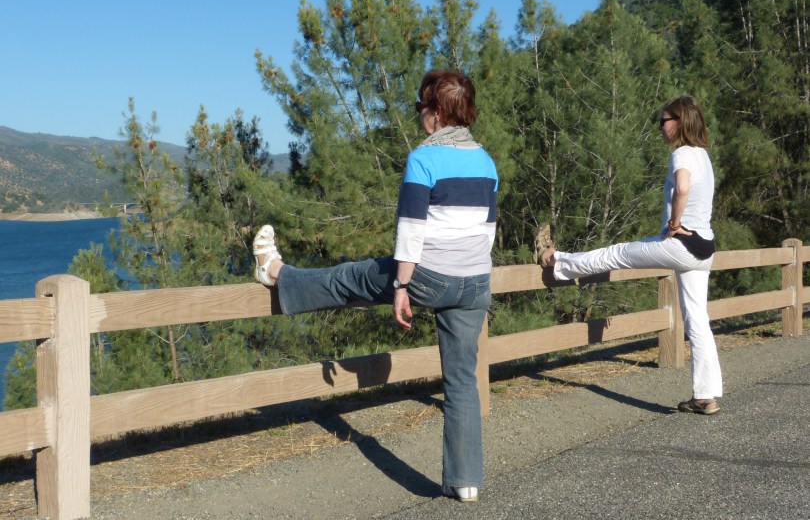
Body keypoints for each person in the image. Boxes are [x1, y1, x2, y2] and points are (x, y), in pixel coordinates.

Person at [253, 70, 499, 502]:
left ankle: (275, 273)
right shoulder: (486, 161)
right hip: (476, 282)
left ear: (437, 112)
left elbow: (411, 231)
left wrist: (401, 286)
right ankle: (465, 482)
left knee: (349, 277)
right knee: (462, 380)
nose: (418, 114)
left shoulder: (424, 158)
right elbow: (487, 230)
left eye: (421, 106)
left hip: (429, 276)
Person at [541, 95, 723, 415]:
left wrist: (674, 223)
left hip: (680, 244)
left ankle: (556, 260)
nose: (660, 127)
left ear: (679, 122)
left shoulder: (681, 153)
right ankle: (705, 396)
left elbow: (682, 188)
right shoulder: (703, 156)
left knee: (616, 253)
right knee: (697, 319)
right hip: (704, 247)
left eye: (663, 121)